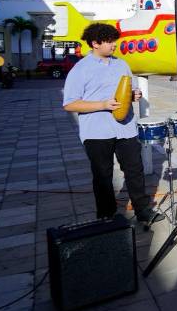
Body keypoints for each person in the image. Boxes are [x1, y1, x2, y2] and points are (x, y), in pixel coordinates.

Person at [63, 23, 164, 223]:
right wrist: (102, 104)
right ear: (95, 44)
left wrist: (135, 94)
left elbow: (131, 89)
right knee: (103, 175)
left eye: (113, 41)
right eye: (109, 42)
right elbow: (70, 104)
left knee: (135, 170)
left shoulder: (122, 64)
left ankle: (142, 210)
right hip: (97, 132)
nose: (113, 45)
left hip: (125, 128)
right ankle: (107, 216)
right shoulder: (80, 69)